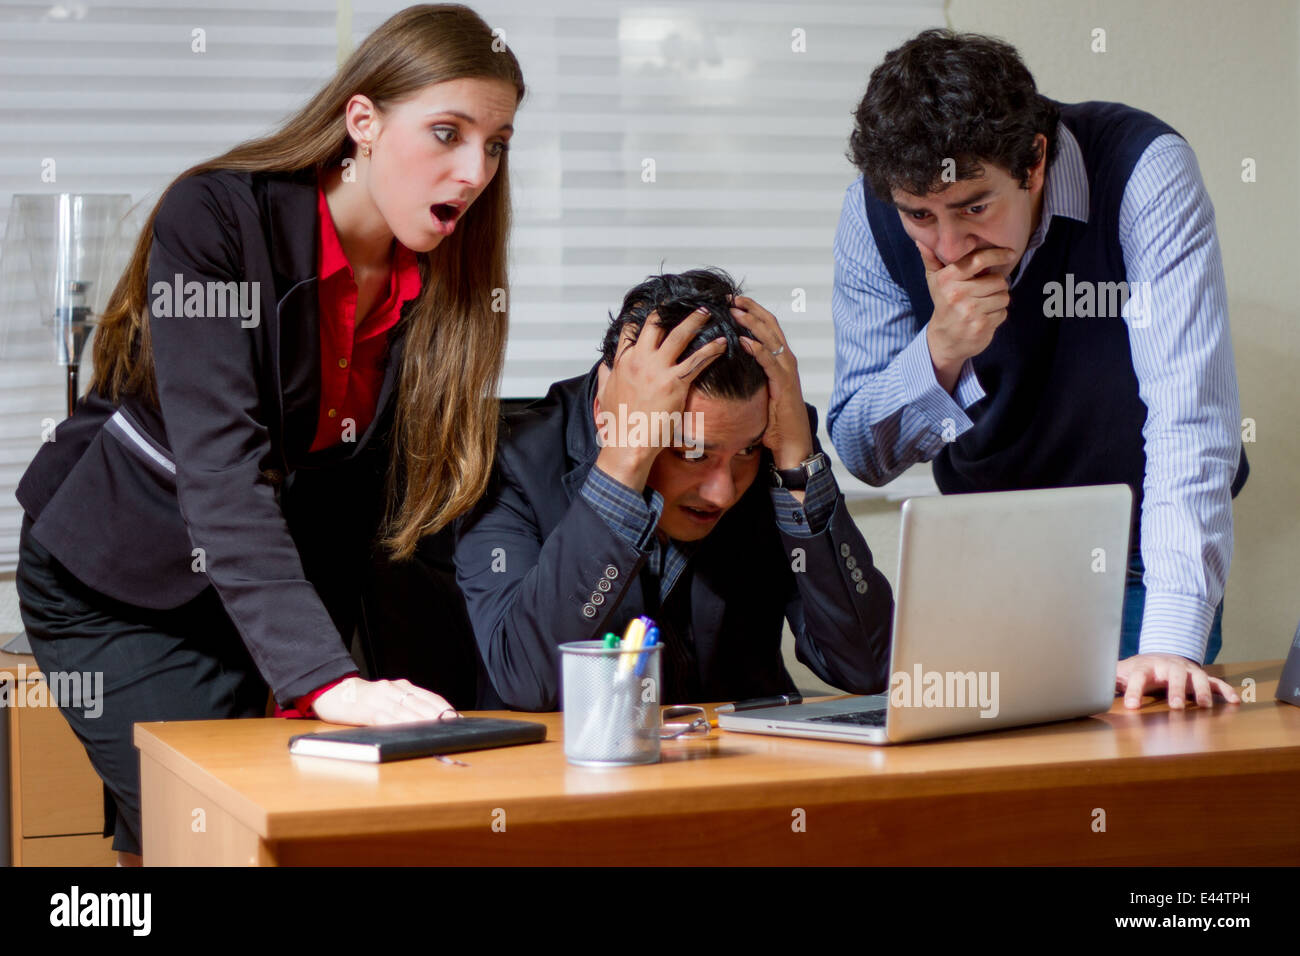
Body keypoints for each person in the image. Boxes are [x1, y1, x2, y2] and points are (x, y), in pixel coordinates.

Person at [14, 4, 522, 865]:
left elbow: (392, 502)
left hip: (269, 592)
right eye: (447, 133)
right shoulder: (217, 219)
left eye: (497, 143)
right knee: (214, 822)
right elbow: (222, 473)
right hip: (116, 583)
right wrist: (327, 679)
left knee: (215, 832)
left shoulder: (442, 279)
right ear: (361, 121)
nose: (474, 171)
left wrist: (458, 693)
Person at [826, 29, 1245, 712]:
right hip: (982, 560)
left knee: (1139, 773)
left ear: (1036, 162)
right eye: (920, 216)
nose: (950, 246)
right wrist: (940, 351)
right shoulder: (870, 216)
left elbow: (1190, 419)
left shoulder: (1144, 171)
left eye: (974, 207)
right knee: (977, 800)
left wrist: (1171, 642)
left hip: (1139, 560)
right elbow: (862, 455)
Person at [454, 268, 894, 711]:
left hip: (745, 766)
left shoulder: (777, 443)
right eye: (692, 455)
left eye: (745, 452)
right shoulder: (505, 462)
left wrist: (797, 466)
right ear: (605, 414)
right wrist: (623, 461)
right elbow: (529, 679)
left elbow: (866, 667)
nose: (722, 493)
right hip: (572, 771)